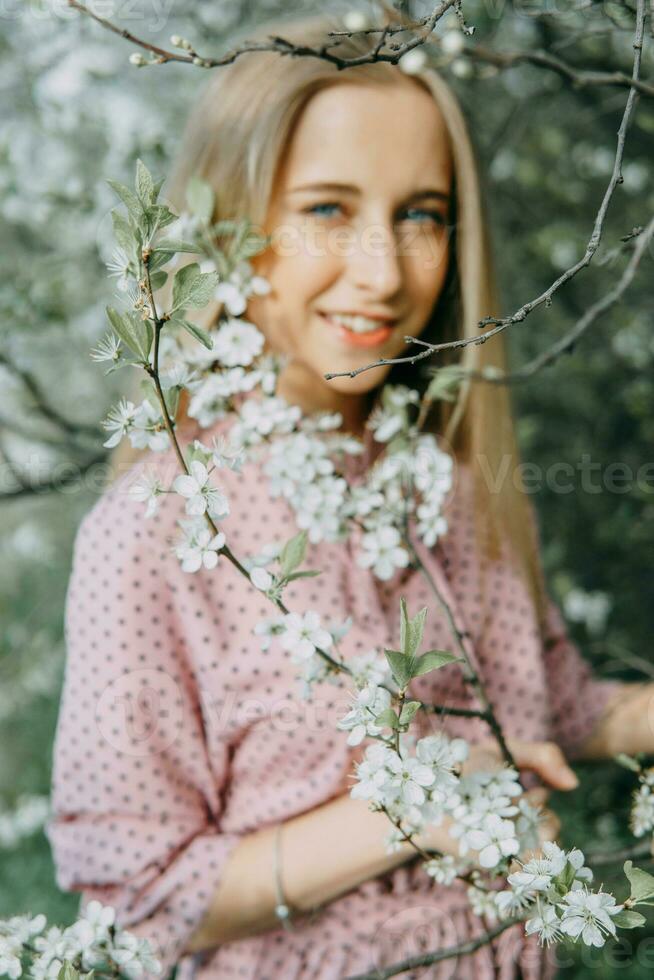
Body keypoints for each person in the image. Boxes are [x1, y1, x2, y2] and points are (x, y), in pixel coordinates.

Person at [46, 12, 651, 980]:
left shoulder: (459, 484)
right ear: (224, 223)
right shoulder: (159, 528)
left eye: (421, 213)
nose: (382, 271)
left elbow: (555, 702)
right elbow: (140, 890)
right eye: (327, 209)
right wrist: (412, 805)